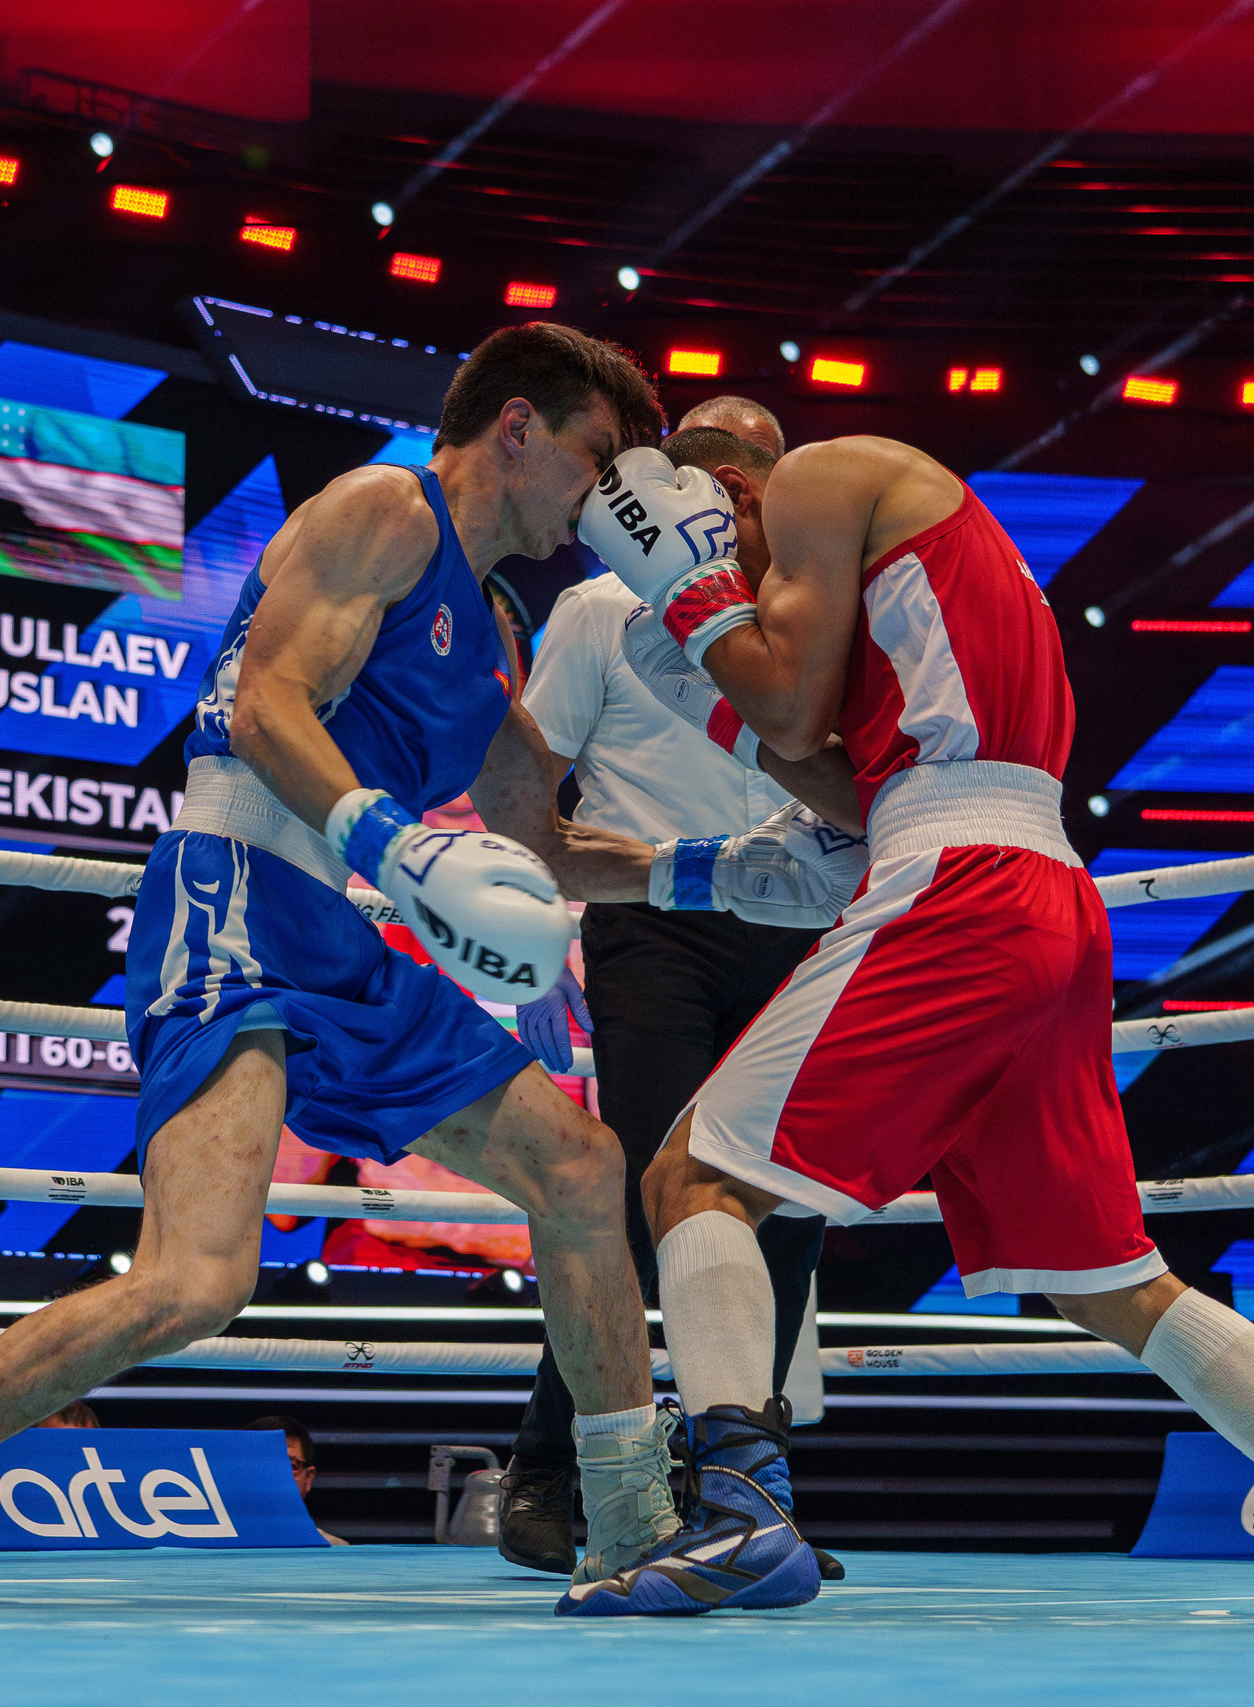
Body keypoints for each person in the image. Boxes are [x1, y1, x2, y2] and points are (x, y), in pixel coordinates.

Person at [0, 324, 852, 1609]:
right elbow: (266, 709)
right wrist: (395, 847)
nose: (605, 495)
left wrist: (726, 872)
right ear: (516, 428)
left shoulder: (492, 627)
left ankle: (627, 1528)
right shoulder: (383, 507)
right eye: (593, 456)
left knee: (579, 1170)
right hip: (234, 891)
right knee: (198, 1279)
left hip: (338, 921)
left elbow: (546, 841)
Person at [559, 430, 1254, 1619]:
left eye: (741, 553)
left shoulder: (821, 475)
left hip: (964, 880)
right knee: (1112, 1282)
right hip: (1033, 892)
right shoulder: (914, 580)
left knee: (693, 1177)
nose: (763, 588)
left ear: (726, 495)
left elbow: (783, 709)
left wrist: (699, 603)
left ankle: (740, 1507)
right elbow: (833, 773)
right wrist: (724, 717)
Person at [479, 398, 838, 1582]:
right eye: (709, 472)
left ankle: (748, 1492)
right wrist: (532, 927)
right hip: (650, 924)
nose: (731, 495)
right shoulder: (599, 607)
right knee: (635, 1199)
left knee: (779, 1203)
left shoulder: (806, 618)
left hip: (793, 925)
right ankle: (552, 1463)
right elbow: (523, 777)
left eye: (752, 475)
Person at [248, 1415, 346, 1546]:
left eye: (291, 1466)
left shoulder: (334, 1550)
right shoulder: (212, 1547)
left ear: (308, 1478)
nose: (275, 1476)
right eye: (260, 1465)